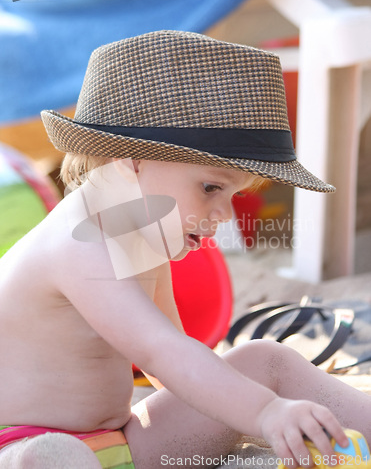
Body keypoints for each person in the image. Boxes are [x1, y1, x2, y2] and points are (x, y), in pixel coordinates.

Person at [0, 30, 370, 469]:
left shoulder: (138, 233)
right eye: (210, 187)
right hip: (25, 444)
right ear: (130, 159)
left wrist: (250, 404)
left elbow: (174, 358)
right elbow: (161, 351)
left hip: (126, 443)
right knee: (51, 457)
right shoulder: (78, 245)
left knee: (264, 359)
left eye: (230, 195)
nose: (221, 214)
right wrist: (265, 411)